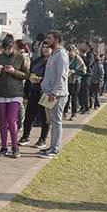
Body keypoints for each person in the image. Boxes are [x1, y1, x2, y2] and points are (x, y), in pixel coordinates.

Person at [0, 37, 29, 158]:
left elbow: (27, 75)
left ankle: (15, 147)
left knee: (12, 121)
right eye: (5, 48)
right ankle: (3, 147)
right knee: (2, 121)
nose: (8, 50)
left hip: (15, 93)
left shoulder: (20, 57)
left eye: (10, 48)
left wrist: (14, 72)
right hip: (1, 92)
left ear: (13, 47)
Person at [38, 31, 69, 159]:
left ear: (56, 40)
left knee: (56, 122)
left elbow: (61, 76)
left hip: (56, 95)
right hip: (49, 93)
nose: (47, 40)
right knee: (51, 121)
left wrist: (55, 93)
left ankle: (55, 150)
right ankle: (51, 147)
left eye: (49, 38)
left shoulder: (61, 55)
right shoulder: (53, 54)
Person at [18, 43, 51, 148]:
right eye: (43, 47)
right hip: (34, 90)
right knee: (29, 114)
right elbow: (29, 73)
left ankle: (43, 139)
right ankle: (25, 136)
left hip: (46, 91)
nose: (45, 49)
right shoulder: (37, 60)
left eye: (47, 47)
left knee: (44, 116)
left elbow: (53, 77)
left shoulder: (52, 61)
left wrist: (41, 79)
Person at [63, 45, 86, 121]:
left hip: (76, 81)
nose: (70, 52)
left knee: (74, 97)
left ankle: (74, 113)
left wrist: (74, 71)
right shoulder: (66, 58)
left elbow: (83, 71)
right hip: (67, 80)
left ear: (74, 51)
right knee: (67, 96)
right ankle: (64, 112)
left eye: (71, 50)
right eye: (68, 50)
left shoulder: (78, 59)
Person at [78, 43, 95, 114]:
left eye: (84, 46)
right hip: (81, 74)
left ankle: (87, 108)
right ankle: (82, 106)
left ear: (88, 47)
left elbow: (88, 63)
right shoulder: (82, 54)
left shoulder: (90, 54)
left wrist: (82, 56)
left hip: (87, 75)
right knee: (80, 92)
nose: (82, 47)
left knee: (85, 92)